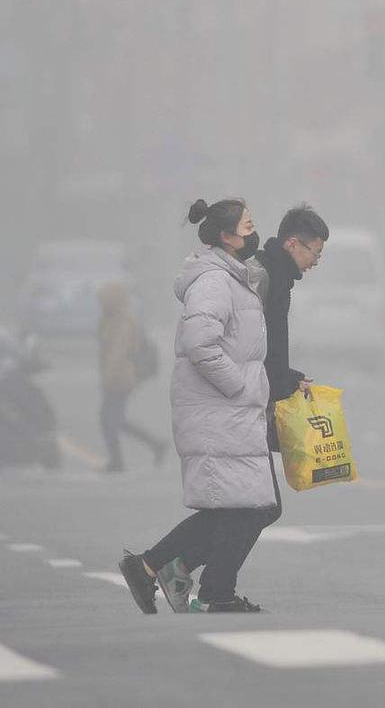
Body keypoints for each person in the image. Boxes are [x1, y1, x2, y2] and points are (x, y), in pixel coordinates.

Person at [118, 198, 274, 614]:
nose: (253, 231)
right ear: (226, 236)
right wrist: (238, 385)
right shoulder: (213, 282)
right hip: (218, 411)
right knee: (235, 509)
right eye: (247, 225)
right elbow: (199, 344)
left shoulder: (231, 277)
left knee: (240, 507)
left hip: (228, 413)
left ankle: (171, 574)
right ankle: (151, 566)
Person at [246, 203, 329, 442]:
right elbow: (252, 346)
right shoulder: (261, 277)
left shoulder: (277, 275)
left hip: (256, 402)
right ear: (292, 243)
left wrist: (289, 380)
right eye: (315, 252)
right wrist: (281, 383)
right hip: (246, 406)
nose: (316, 261)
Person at [97, 282, 166, 472]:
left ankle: (117, 461)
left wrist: (108, 378)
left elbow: (118, 353)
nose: (102, 304)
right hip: (116, 377)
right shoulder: (110, 319)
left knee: (108, 420)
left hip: (121, 378)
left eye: (105, 300)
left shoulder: (123, 322)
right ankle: (156, 445)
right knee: (114, 420)